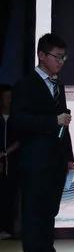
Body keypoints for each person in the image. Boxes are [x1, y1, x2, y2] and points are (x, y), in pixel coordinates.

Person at [10, 34, 74, 252]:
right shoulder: (26, 84)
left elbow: (64, 124)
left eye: (64, 57)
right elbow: (18, 121)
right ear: (41, 55)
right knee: (34, 211)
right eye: (57, 57)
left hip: (56, 159)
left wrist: (69, 156)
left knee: (49, 212)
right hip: (34, 160)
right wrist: (52, 121)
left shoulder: (58, 85)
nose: (61, 62)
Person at [0, 84, 21, 240]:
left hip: (13, 163)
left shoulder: (16, 117)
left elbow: (21, 140)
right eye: (5, 97)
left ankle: (8, 228)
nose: (8, 100)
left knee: (11, 196)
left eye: (10, 97)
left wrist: (6, 152)